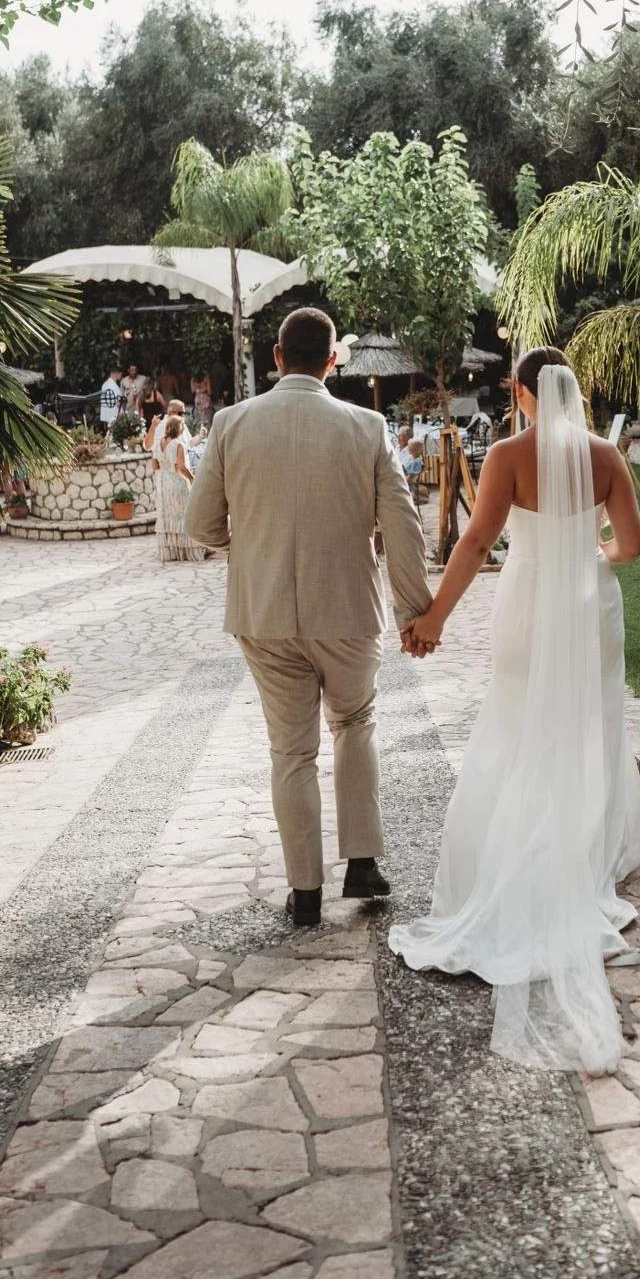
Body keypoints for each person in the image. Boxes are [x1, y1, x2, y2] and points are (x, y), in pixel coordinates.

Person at [388, 347, 640, 1075]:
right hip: (588, 605)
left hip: (530, 603)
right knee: (590, 725)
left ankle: (515, 858)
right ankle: (578, 854)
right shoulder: (606, 455)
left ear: (521, 392)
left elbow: (476, 540)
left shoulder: (506, 452)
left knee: (513, 723)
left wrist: (435, 617)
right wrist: (593, 550)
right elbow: (631, 545)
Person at [184, 306, 433, 929]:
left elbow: (200, 524)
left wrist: (251, 548)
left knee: (290, 751)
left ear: (275, 356)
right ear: (331, 361)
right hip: (348, 608)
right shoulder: (367, 426)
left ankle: (305, 892)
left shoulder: (231, 423)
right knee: (355, 723)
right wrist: (414, 610)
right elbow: (402, 526)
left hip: (263, 613)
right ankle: (362, 864)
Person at [153, 415, 205, 562]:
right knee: (184, 514)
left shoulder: (159, 443)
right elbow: (182, 467)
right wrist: (193, 479)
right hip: (176, 482)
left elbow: (154, 465)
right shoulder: (178, 444)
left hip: (163, 483)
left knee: (169, 515)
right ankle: (188, 552)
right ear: (178, 427)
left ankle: (172, 552)